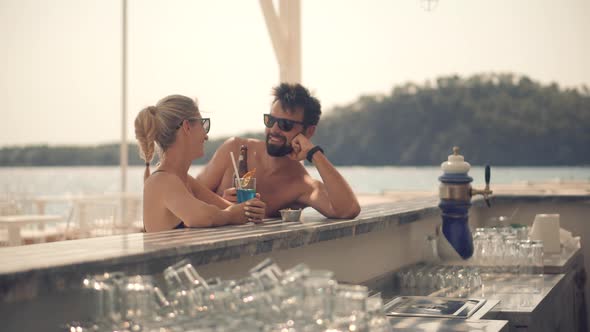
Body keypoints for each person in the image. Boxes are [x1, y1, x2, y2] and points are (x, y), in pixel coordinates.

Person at [197, 83, 361, 219]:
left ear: (309, 131)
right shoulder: (234, 149)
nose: (274, 130)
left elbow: (348, 210)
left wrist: (314, 153)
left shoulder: (301, 184)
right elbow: (187, 196)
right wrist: (220, 203)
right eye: (270, 120)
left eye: (285, 125)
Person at [134, 94, 266, 232]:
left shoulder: (185, 181)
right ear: (187, 127)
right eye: (203, 124)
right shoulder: (160, 181)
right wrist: (233, 214)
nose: (206, 135)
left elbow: (226, 209)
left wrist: (251, 209)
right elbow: (202, 217)